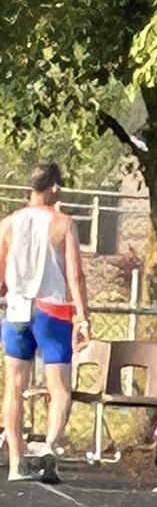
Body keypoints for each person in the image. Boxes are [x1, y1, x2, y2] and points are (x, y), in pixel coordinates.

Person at [0, 162, 91, 483]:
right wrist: (83, 316)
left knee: (14, 387)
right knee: (60, 388)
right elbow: (75, 275)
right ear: (53, 187)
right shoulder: (62, 223)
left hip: (17, 310)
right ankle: (49, 446)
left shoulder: (8, 224)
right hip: (52, 310)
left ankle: (15, 464)